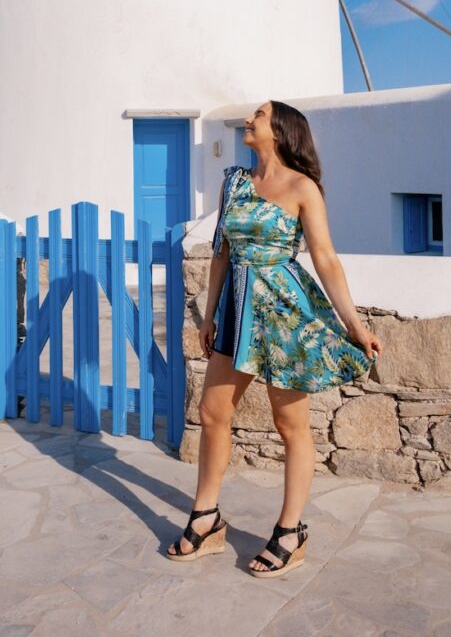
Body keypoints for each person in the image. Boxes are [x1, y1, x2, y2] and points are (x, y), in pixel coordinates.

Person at [167, 100, 383, 577]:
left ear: (281, 131)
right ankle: (206, 518)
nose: (249, 119)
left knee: (291, 426)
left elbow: (325, 258)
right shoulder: (235, 182)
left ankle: (290, 531)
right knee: (211, 413)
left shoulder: (303, 188)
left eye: (259, 115)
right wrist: (209, 312)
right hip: (236, 311)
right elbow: (222, 249)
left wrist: (354, 325)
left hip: (285, 315)